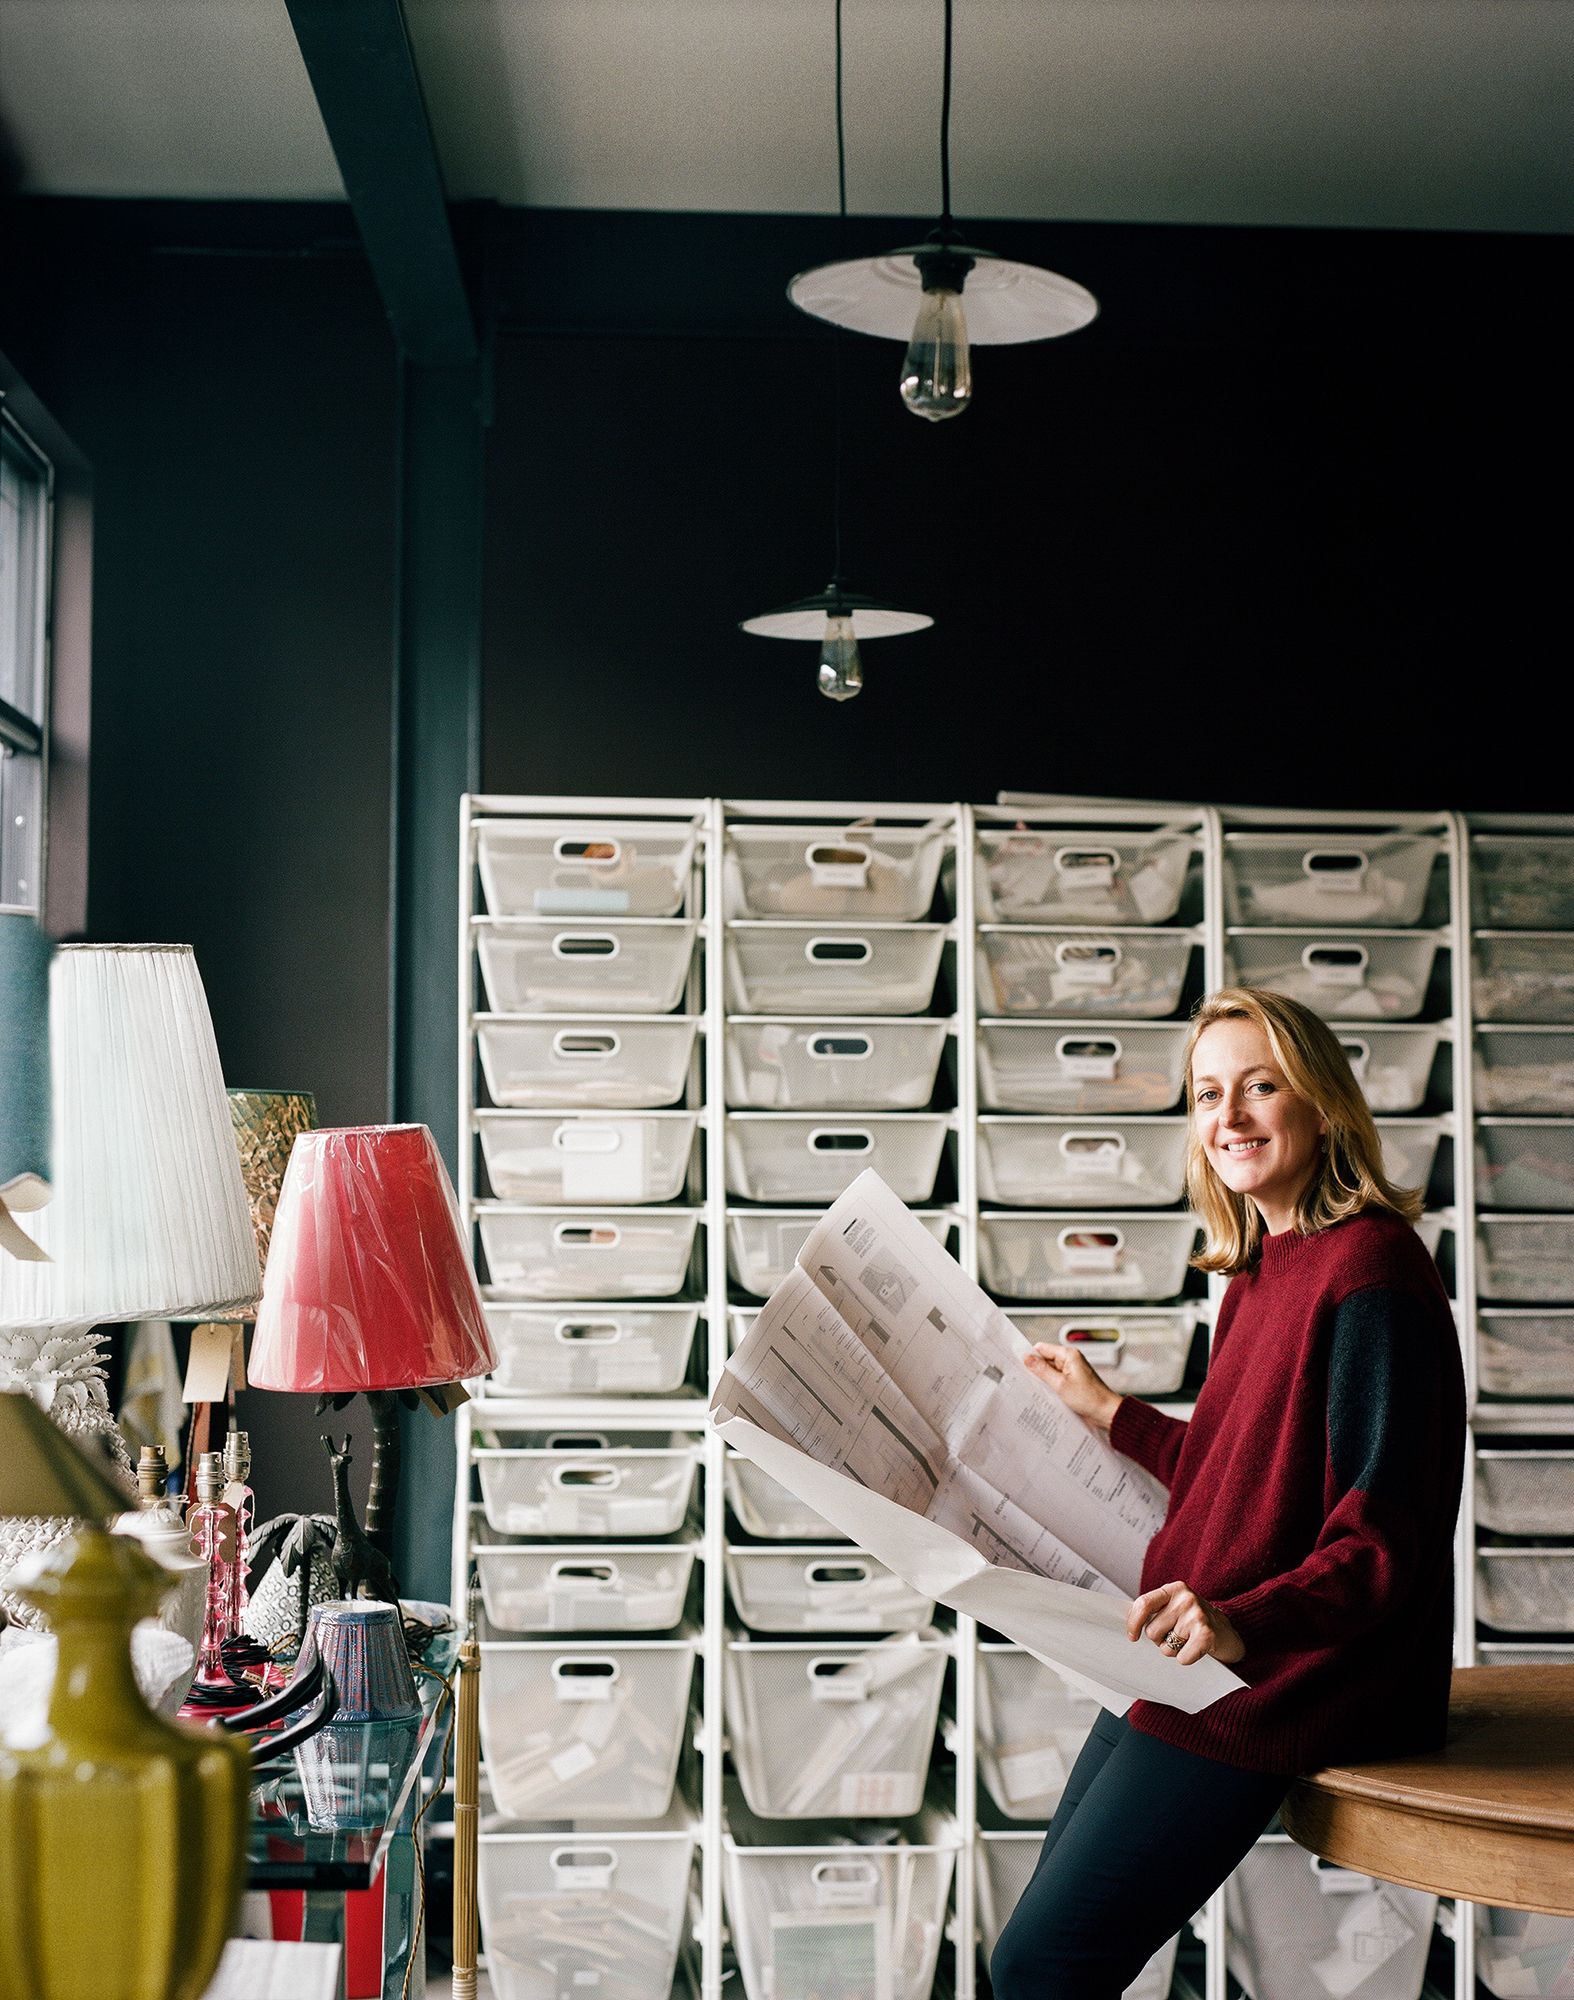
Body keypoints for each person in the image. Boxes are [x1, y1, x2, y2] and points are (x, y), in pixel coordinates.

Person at [988, 985, 1465, 2000]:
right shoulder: (1261, 1265)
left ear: (1323, 1104)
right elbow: (1245, 1469)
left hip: (1282, 1680)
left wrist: (1239, 1621)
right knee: (1026, 1954)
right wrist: (1111, 1413)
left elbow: (1381, 1541)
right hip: (1196, 1665)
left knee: (1042, 1964)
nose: (1228, 1118)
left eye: (1259, 1087)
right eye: (1207, 1094)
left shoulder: (1370, 1273)